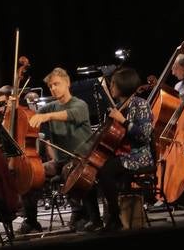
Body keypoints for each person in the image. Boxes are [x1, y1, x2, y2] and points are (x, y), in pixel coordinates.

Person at [25, 67, 96, 232]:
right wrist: (14, 106)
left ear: (67, 83)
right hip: (61, 160)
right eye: (50, 86)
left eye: (57, 84)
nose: (53, 88)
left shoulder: (80, 104)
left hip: (82, 159)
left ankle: (80, 213)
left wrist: (46, 116)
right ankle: (31, 221)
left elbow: (70, 114)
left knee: (68, 169)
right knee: (32, 173)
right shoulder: (51, 106)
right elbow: (29, 116)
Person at [93, 67, 154, 231]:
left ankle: (115, 218)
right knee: (98, 168)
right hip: (122, 155)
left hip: (138, 157)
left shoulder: (140, 104)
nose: (111, 87)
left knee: (105, 171)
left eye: (113, 84)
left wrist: (124, 121)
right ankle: (103, 217)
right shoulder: (118, 107)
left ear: (123, 85)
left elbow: (144, 136)